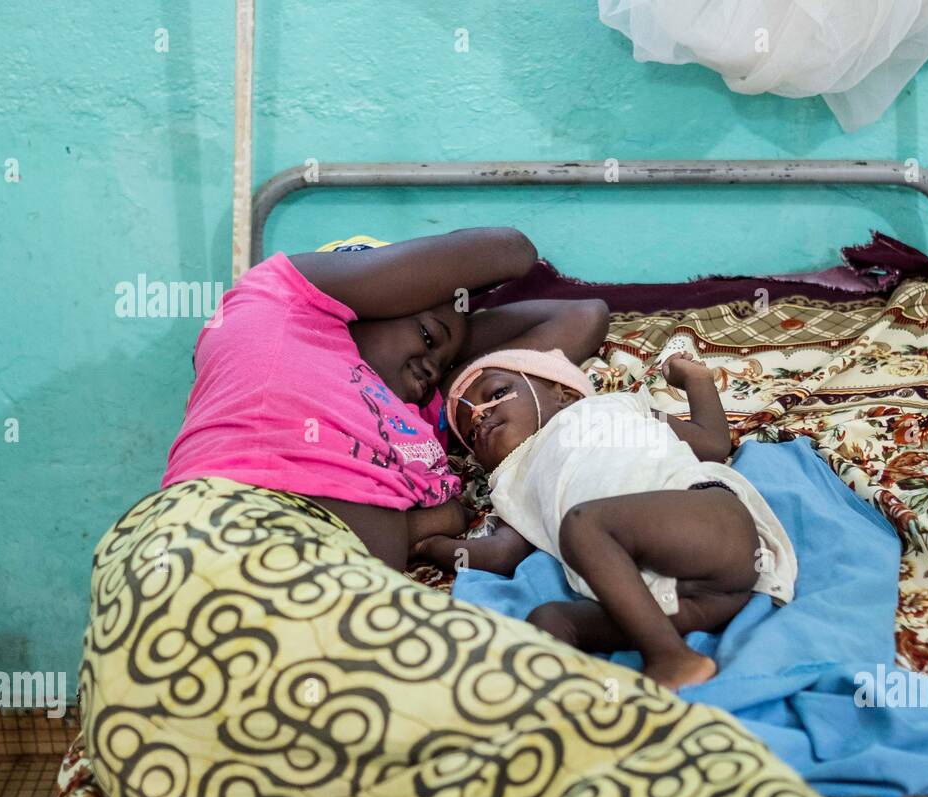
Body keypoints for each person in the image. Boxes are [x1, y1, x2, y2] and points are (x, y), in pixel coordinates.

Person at [161, 228, 609, 569]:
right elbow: (510, 250)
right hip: (218, 534)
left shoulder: (424, 411)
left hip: (342, 609)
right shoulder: (279, 306)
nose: (435, 369)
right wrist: (440, 304)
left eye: (444, 361)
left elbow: (582, 316)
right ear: (367, 301)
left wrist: (452, 337)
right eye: (428, 337)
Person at [415, 348, 797, 690]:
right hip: (686, 600)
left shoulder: (613, 406)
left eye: (496, 394)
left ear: (561, 392)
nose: (480, 417)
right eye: (469, 429)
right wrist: (430, 545)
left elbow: (712, 443)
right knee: (549, 621)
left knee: (584, 525)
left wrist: (696, 380)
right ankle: (575, 714)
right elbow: (500, 554)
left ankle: (671, 658)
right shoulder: (509, 484)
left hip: (708, 524)